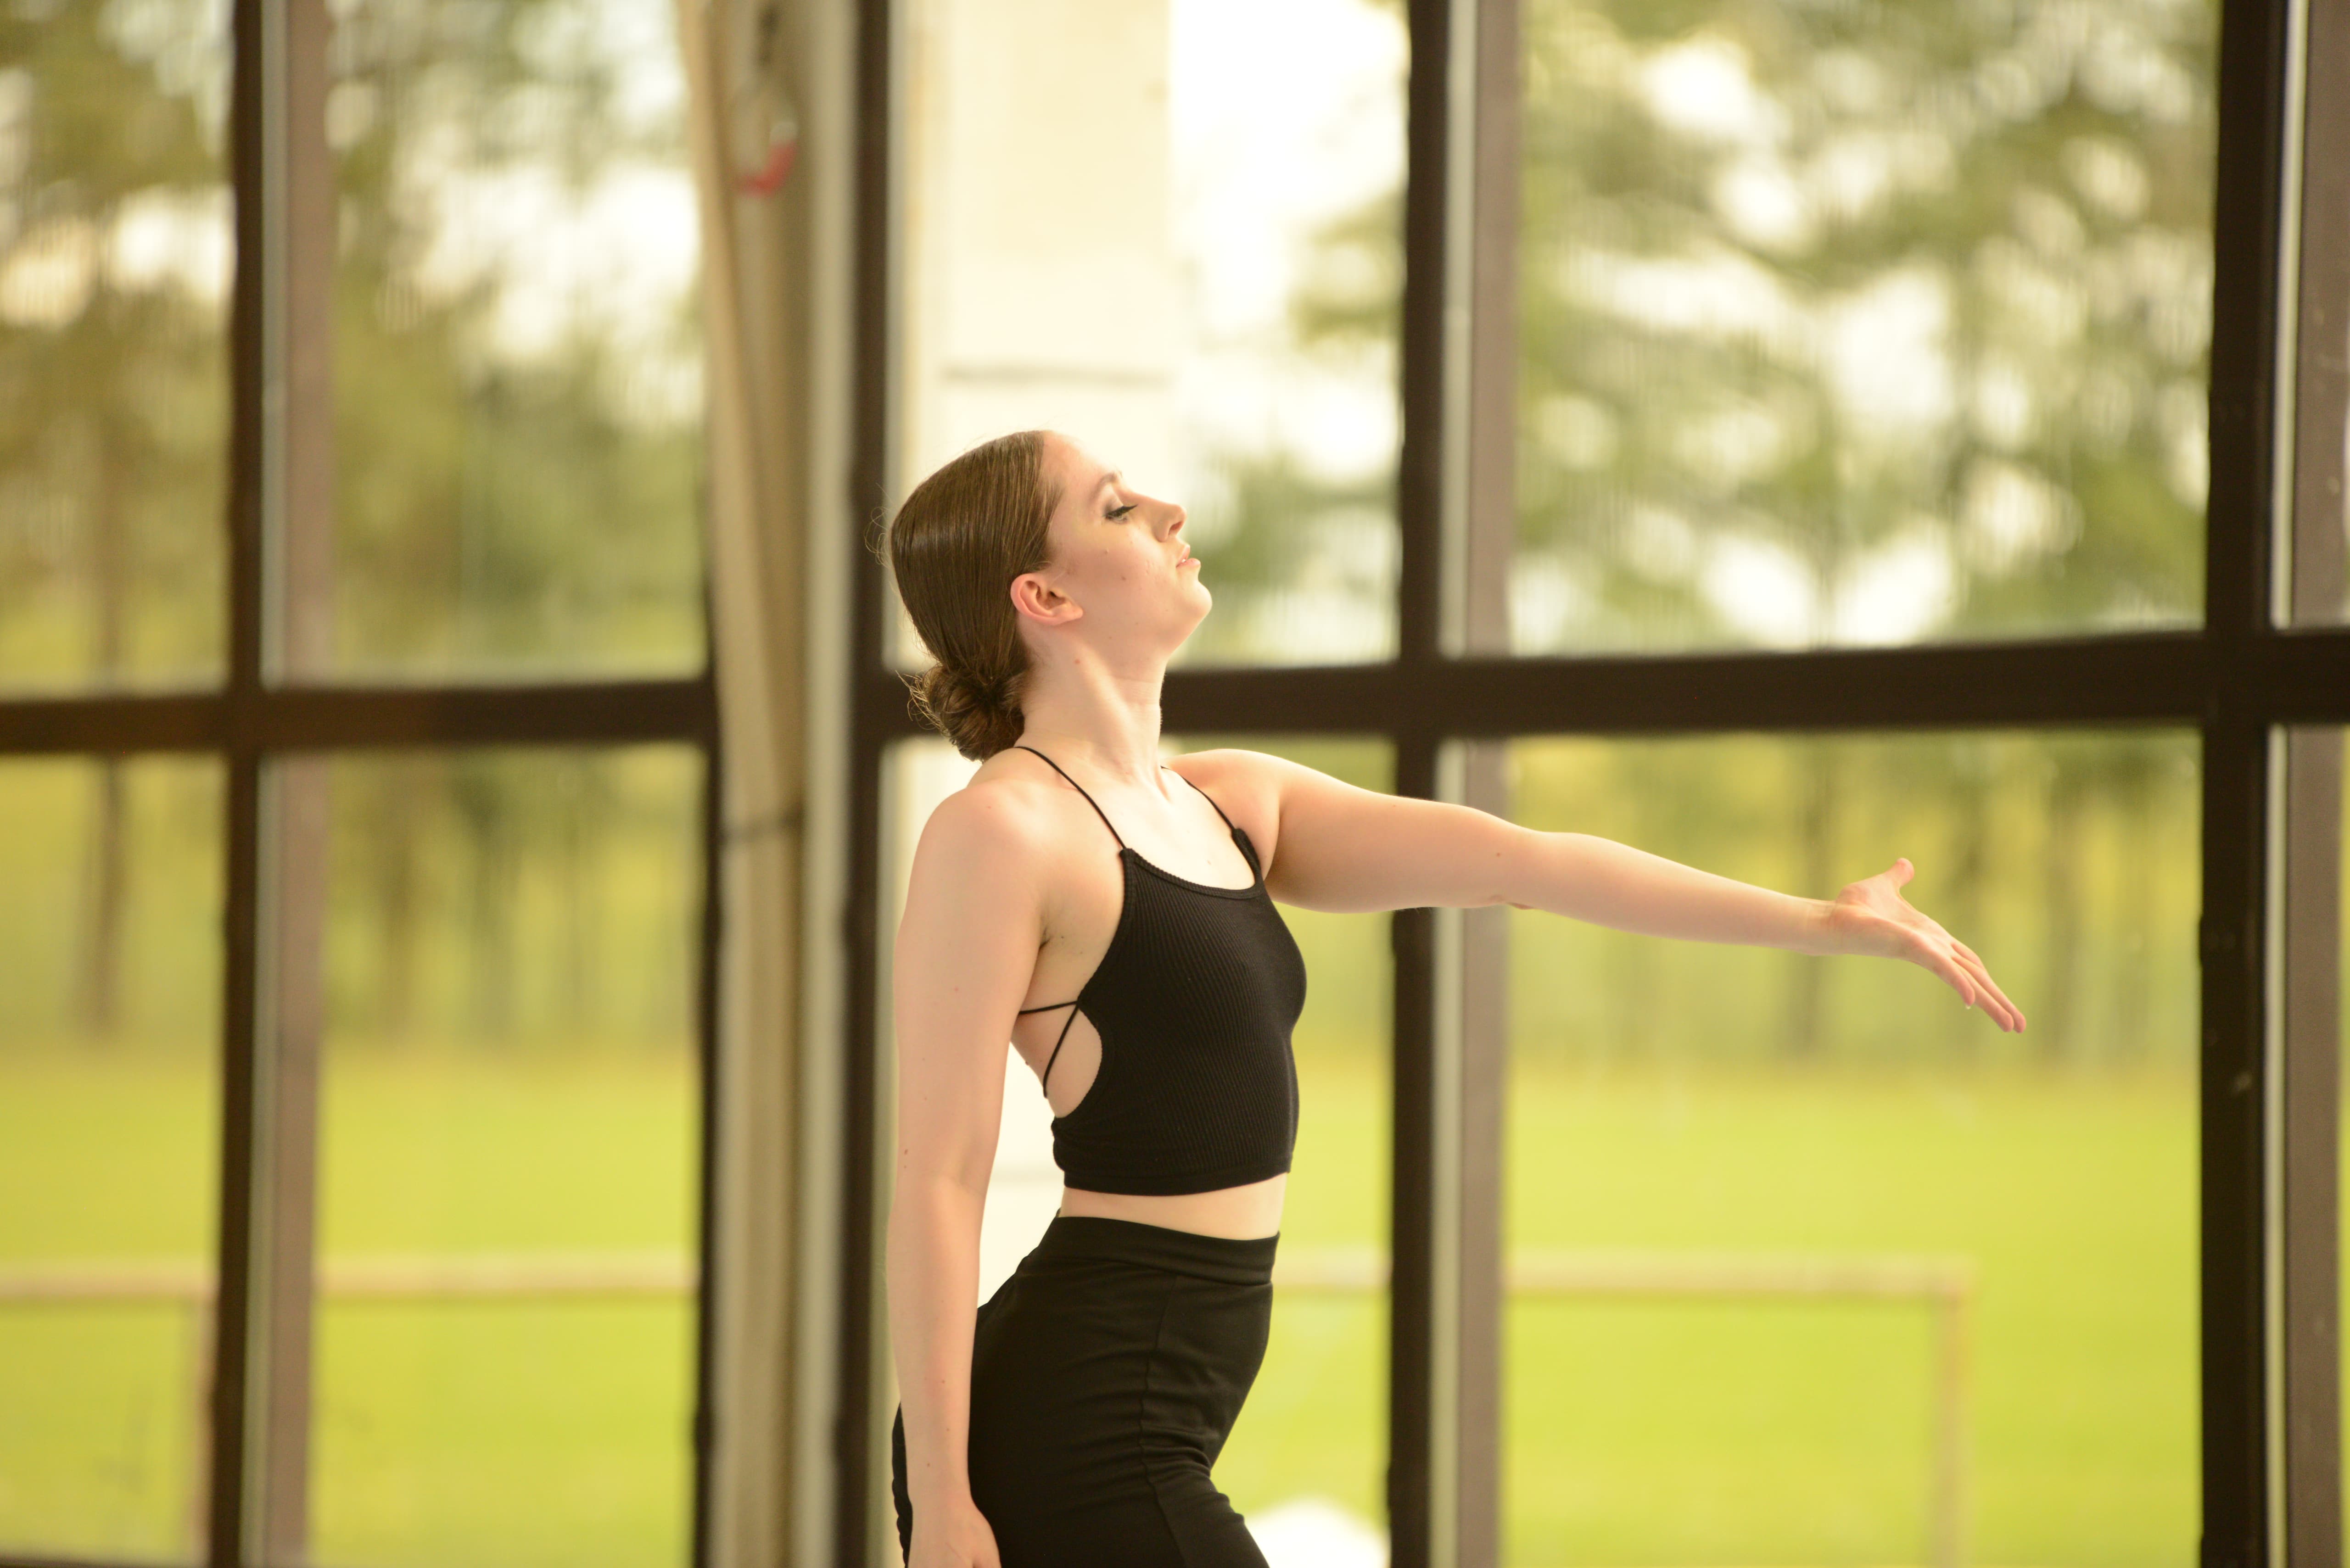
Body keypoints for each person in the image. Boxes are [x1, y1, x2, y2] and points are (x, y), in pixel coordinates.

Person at [884, 429, 2023, 1568]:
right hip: (1069, 1429)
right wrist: (941, 1494)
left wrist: (1820, 920)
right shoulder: (1001, 832)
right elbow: (941, 1177)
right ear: (1045, 596)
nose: (1170, 510)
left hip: (1158, 1408)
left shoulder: (1228, 802)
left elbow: (1523, 864)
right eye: (1117, 508)